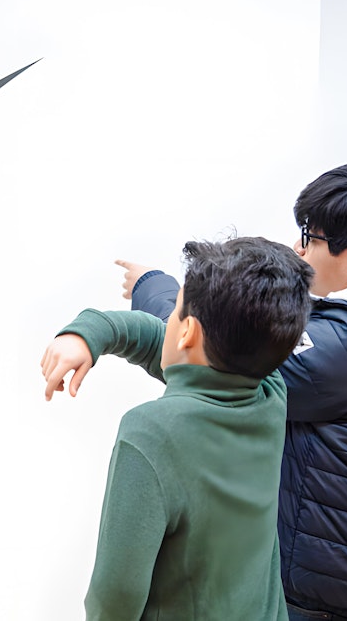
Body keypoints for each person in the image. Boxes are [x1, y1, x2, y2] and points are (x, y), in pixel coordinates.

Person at [116, 156, 347, 620]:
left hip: (327, 604)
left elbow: (205, 350)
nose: (298, 248)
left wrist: (153, 288)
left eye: (310, 237)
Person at [43, 236, 314, 620]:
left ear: (186, 332)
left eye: (173, 313)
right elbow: (177, 357)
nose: (166, 321)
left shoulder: (151, 433)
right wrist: (94, 331)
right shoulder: (271, 394)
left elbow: (116, 596)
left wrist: (91, 327)